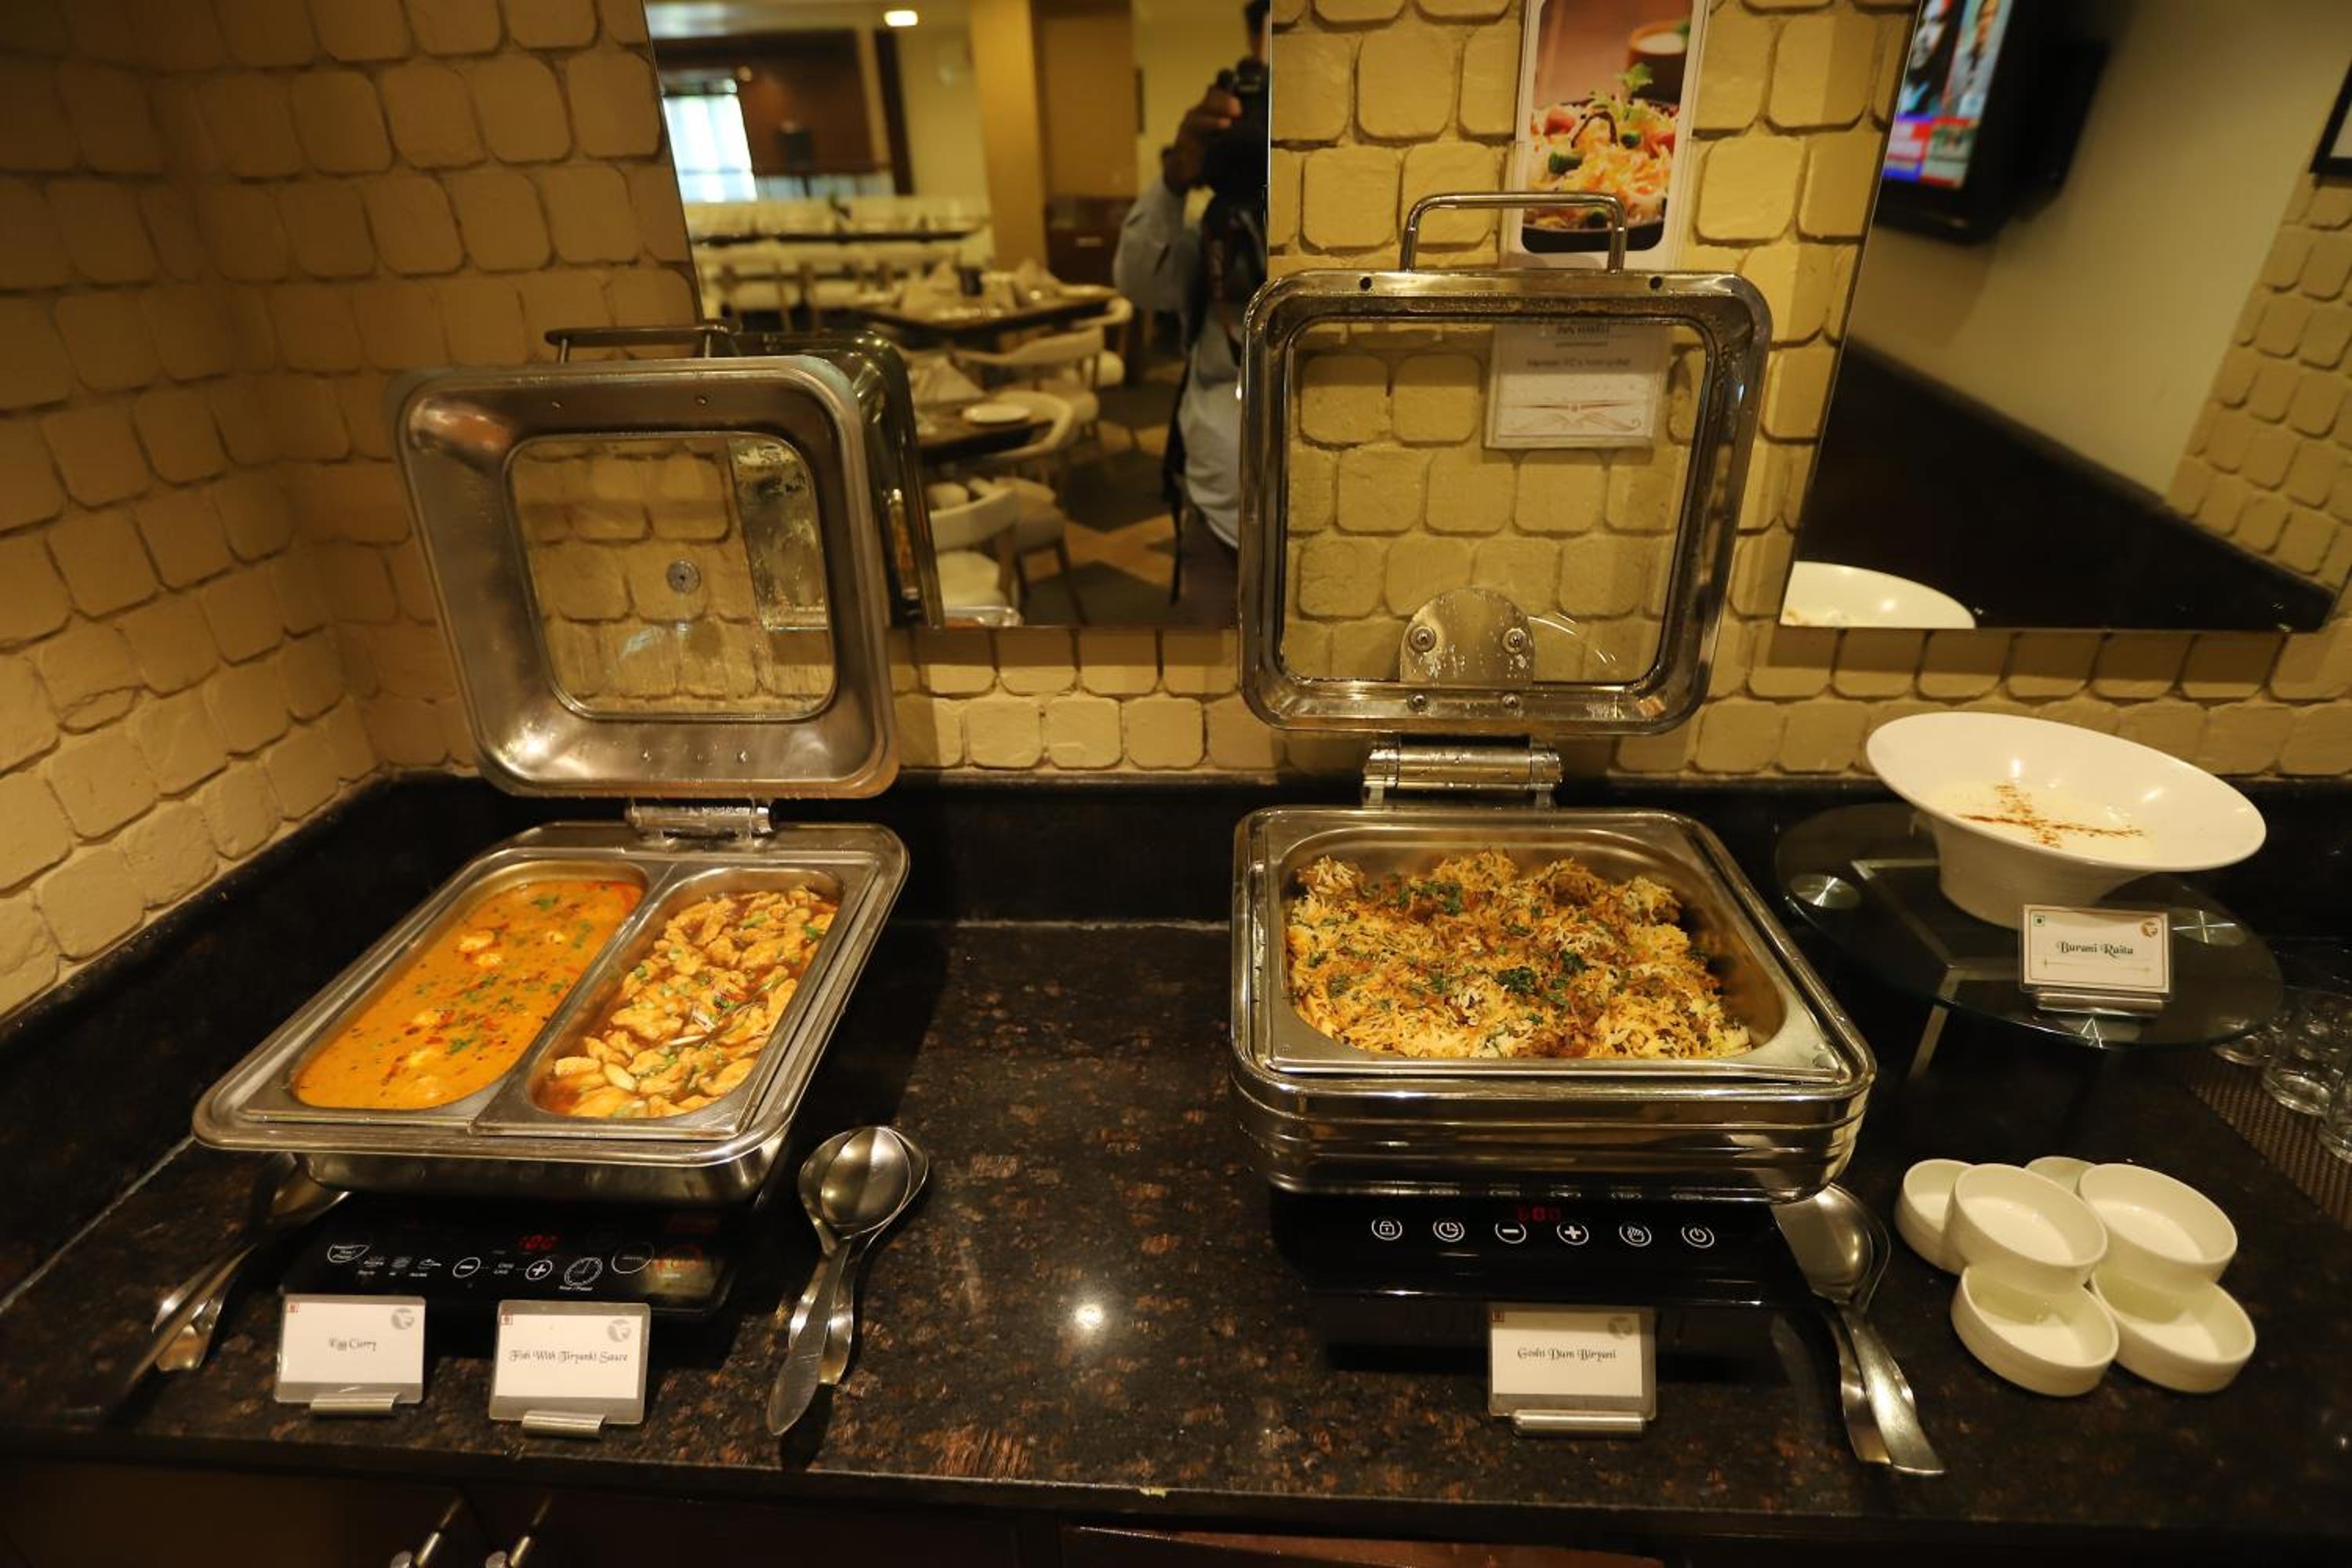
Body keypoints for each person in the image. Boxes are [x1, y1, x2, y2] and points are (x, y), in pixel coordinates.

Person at [1113, 1, 1269, 620]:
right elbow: (1140, 284)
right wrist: (1175, 179)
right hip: (1218, 512)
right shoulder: (1213, 225)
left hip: (1336, 519)